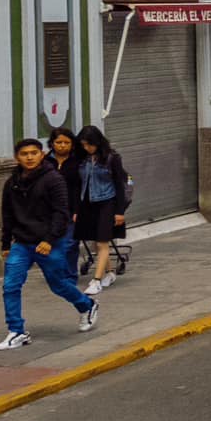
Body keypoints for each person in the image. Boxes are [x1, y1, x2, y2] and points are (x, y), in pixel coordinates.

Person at [0, 138, 98, 350]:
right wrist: (6, 244)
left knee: (58, 285)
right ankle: (17, 331)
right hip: (22, 243)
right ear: (17, 157)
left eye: (34, 153)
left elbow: (61, 213)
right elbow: (7, 214)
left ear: (42, 155)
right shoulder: (12, 183)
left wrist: (49, 240)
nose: (30, 157)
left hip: (50, 242)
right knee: (10, 286)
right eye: (24, 154)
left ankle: (87, 306)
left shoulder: (53, 179)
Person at [73, 126, 130, 295]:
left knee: (102, 241)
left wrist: (120, 211)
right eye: (83, 145)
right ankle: (110, 273)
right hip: (88, 203)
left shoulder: (112, 158)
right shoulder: (82, 159)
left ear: (98, 142)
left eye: (90, 144)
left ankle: (96, 280)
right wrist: (76, 209)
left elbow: (120, 185)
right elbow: (78, 184)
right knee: (95, 241)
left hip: (107, 202)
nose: (87, 148)